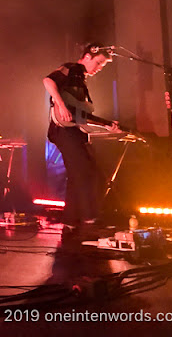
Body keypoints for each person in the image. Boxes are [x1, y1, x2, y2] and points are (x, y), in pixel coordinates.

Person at [43, 43, 117, 238]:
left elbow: (80, 115)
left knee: (79, 174)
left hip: (71, 131)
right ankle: (89, 219)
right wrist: (61, 105)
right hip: (64, 131)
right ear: (87, 56)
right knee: (86, 171)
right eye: (99, 62)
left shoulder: (80, 79)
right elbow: (48, 81)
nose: (99, 68)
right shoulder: (73, 68)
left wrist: (106, 124)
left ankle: (70, 222)